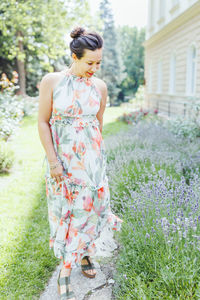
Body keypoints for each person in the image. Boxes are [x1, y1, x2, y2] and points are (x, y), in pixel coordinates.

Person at [38, 26, 123, 300]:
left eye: (99, 63)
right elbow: (42, 121)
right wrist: (53, 162)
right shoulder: (52, 81)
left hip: (92, 162)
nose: (95, 68)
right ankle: (65, 269)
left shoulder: (100, 87)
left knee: (90, 211)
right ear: (74, 56)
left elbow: (97, 125)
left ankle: (85, 255)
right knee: (68, 211)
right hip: (62, 162)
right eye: (90, 62)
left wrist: (97, 162)